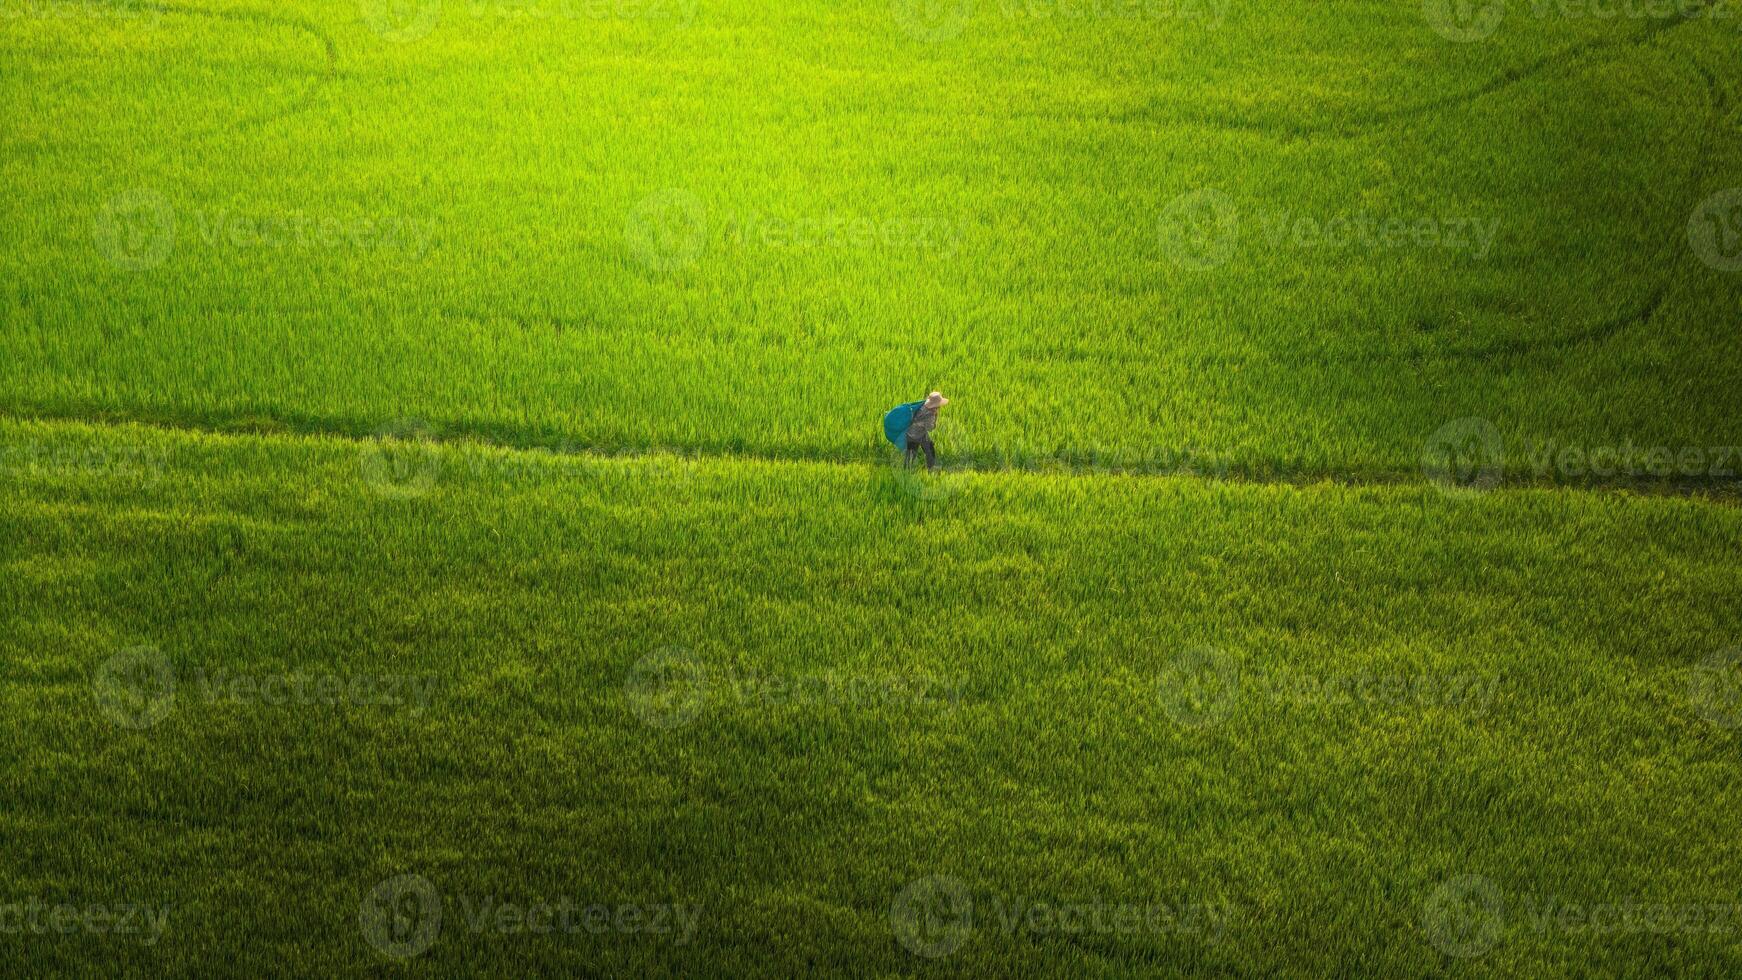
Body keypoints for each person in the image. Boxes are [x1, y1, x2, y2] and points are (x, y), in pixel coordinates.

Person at [904, 391, 948, 471]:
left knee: (912, 452)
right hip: (917, 436)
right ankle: (930, 468)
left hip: (911, 433)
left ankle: (907, 468)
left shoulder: (923, 406)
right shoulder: (930, 414)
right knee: (927, 450)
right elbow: (930, 428)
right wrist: (935, 418)